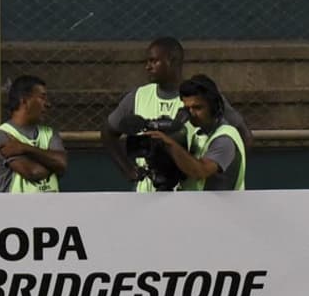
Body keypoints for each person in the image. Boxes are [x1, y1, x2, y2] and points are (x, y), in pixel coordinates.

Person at [101, 37, 252, 192]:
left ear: (172, 61)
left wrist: (220, 169)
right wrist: (128, 170)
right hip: (149, 192)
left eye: (154, 61)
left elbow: (242, 135)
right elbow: (108, 132)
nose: (148, 67)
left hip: (191, 189)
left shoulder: (202, 97)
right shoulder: (138, 97)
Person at [146, 75, 247, 191]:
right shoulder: (198, 134)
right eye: (187, 108)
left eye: (198, 108)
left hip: (220, 207)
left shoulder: (225, 138)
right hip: (198, 206)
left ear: (213, 107)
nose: (191, 114)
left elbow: (200, 171)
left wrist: (170, 144)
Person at [0, 75, 66, 193]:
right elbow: (33, 172)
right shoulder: (2, 135)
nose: (47, 104)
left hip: (51, 209)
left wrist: (24, 148)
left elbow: (61, 163)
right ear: (24, 101)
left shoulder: (49, 133)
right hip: (15, 209)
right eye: (42, 97)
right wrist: (52, 164)